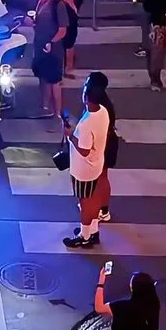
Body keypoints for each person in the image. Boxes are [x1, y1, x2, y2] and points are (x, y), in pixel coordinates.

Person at [63, 72, 113, 248]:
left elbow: (84, 150)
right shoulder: (104, 112)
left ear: (86, 96)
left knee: (86, 204)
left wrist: (70, 136)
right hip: (96, 164)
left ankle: (85, 236)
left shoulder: (86, 125)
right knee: (93, 199)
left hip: (84, 170)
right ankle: (93, 231)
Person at [30, 0, 78, 119]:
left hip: (53, 50)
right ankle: (45, 107)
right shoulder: (39, 4)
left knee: (55, 81)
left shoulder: (57, 4)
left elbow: (63, 29)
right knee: (43, 78)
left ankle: (57, 112)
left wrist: (51, 42)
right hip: (40, 47)